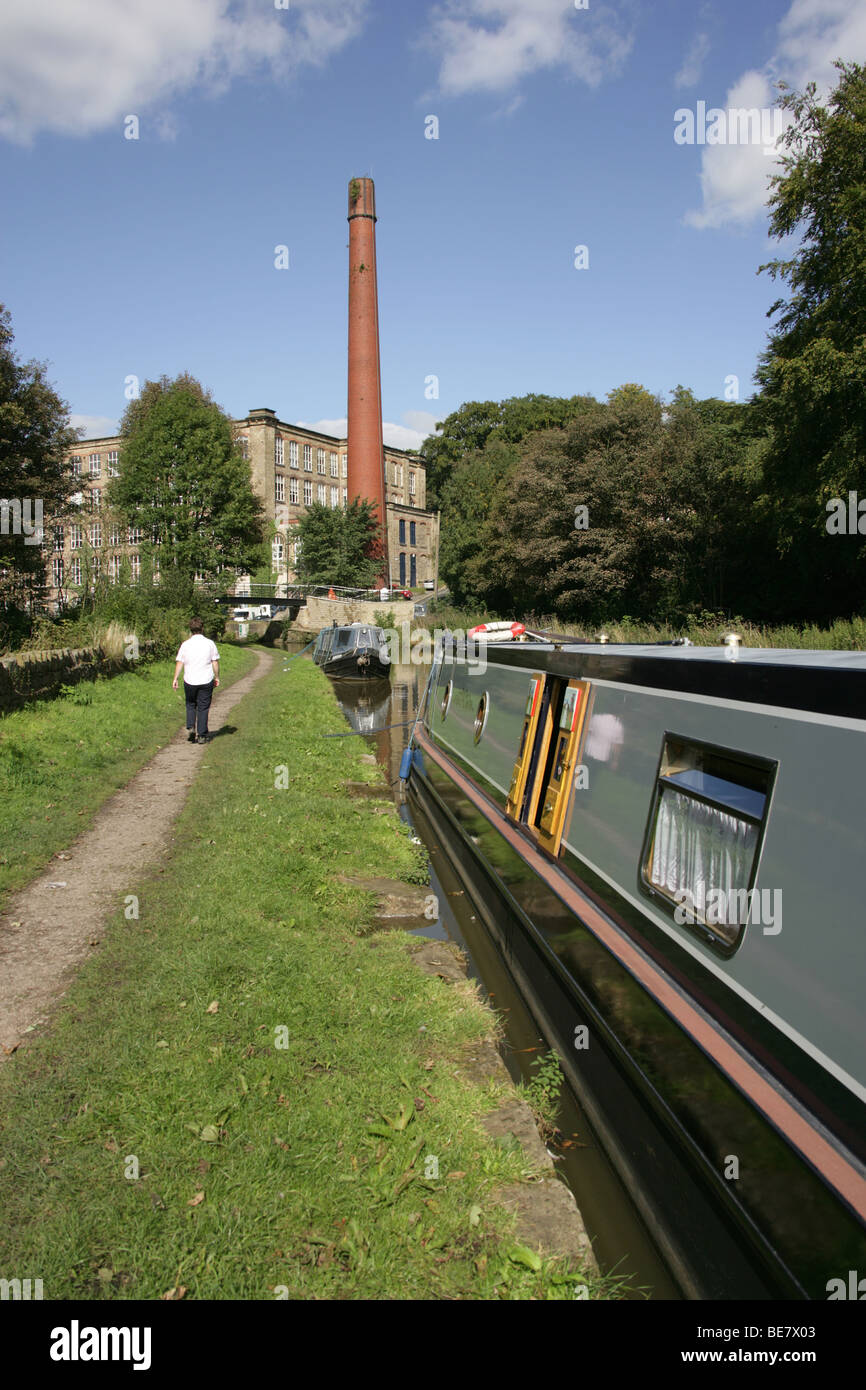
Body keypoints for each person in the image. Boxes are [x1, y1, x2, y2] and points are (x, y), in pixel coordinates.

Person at [173, 618, 220, 744]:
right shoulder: (209, 643)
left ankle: (190, 726)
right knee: (203, 707)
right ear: (202, 628)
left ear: (191, 629)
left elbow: (180, 662)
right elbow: (214, 662)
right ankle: (202, 735)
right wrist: (217, 677)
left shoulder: (185, 644)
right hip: (205, 679)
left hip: (190, 680)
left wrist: (175, 678)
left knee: (190, 704)